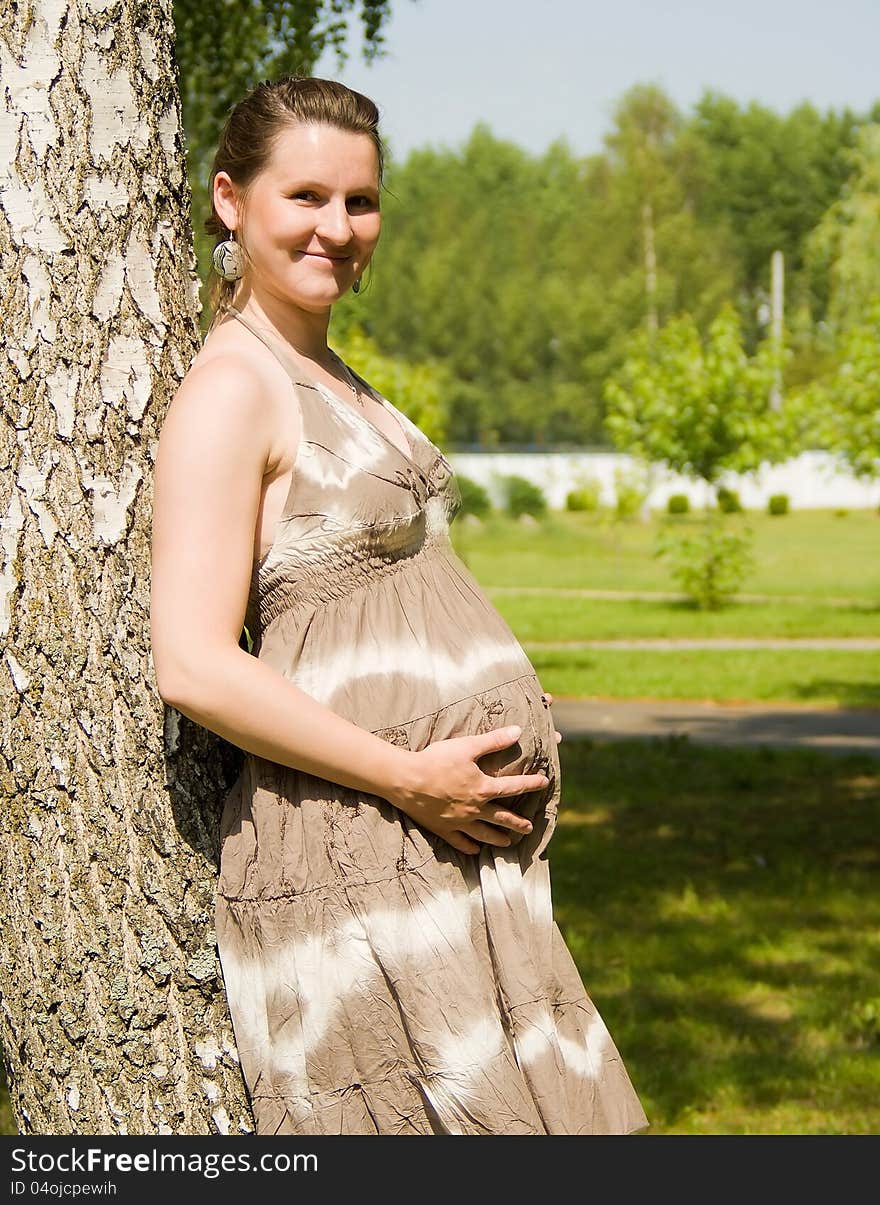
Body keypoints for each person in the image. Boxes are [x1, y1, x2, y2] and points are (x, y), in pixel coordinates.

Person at [150, 75, 647, 1136]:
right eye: (307, 198)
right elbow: (190, 660)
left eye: (361, 202)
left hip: (429, 850)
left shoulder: (324, 370)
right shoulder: (235, 385)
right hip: (355, 845)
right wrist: (412, 776)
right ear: (231, 201)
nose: (338, 228)